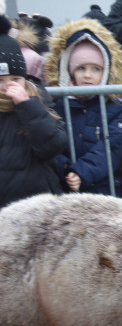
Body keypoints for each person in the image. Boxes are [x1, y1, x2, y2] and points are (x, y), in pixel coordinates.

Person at [45, 18, 122, 197]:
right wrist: (67, 171)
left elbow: (110, 148)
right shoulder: (58, 107)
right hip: (67, 190)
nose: (88, 75)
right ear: (70, 71)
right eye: (81, 68)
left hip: (106, 192)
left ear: (106, 71)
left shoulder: (117, 109)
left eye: (96, 69)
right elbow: (51, 146)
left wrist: (82, 172)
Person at [0, 15, 65, 208]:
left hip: (37, 206)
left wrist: (27, 105)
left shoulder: (35, 98)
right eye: (0, 80)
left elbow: (54, 144)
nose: (7, 86)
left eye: (15, 79)